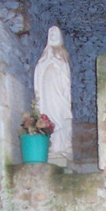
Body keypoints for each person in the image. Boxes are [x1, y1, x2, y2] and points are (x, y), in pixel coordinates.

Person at [34, 26, 73, 167]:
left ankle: (60, 147)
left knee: (58, 116)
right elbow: (38, 70)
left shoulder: (62, 53)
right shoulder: (45, 53)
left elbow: (64, 72)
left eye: (55, 33)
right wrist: (46, 60)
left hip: (58, 90)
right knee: (48, 114)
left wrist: (54, 60)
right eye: (50, 33)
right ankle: (51, 147)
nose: (53, 35)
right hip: (46, 90)